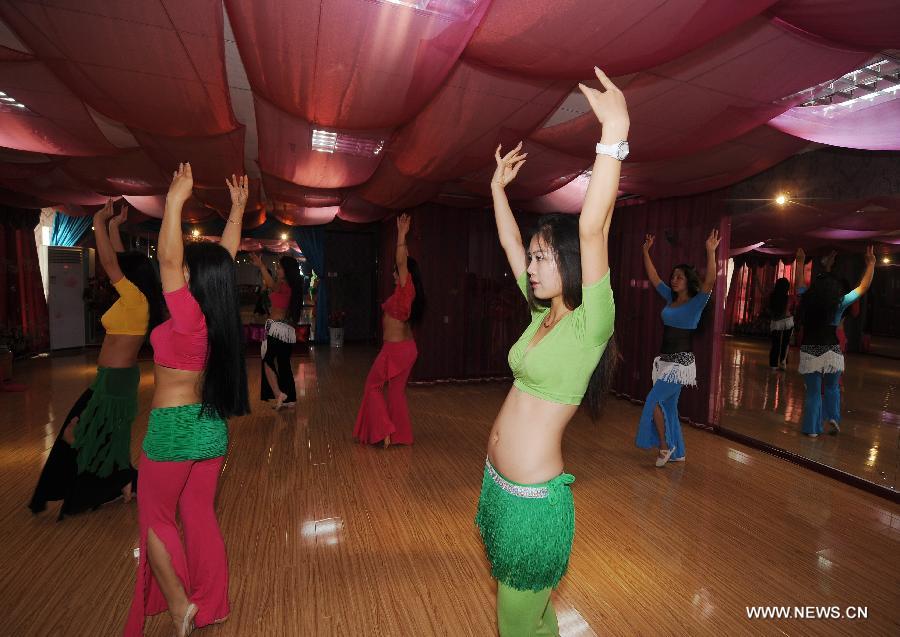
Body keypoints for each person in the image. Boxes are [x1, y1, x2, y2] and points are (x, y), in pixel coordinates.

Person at [475, 67, 621, 637]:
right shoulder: (540, 315)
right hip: (498, 485)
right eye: (533, 259)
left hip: (536, 505)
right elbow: (510, 243)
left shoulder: (591, 325)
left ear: (570, 264)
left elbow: (592, 227)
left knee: (515, 623)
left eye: (543, 258)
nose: (532, 267)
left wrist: (613, 134)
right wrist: (495, 191)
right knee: (532, 620)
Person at [125, 166, 250, 637]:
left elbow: (170, 264)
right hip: (210, 426)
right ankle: (212, 603)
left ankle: (180, 605)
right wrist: (236, 211)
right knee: (198, 516)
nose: (186, 273)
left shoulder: (187, 319)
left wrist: (174, 202)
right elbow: (224, 259)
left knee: (156, 518)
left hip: (173, 429)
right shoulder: (214, 317)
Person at [29, 200, 163, 519]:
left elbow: (108, 260)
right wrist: (114, 227)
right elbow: (118, 260)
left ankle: (119, 480)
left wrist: (98, 222)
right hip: (112, 378)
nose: (117, 272)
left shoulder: (136, 301)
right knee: (106, 436)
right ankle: (124, 481)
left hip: (114, 381)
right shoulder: (135, 298)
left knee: (78, 433)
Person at [635, 229, 719, 466]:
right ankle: (679, 451)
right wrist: (645, 252)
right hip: (664, 361)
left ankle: (664, 446)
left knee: (652, 401)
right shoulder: (670, 298)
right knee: (669, 408)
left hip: (681, 363)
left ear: (688, 281)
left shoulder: (696, 303)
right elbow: (654, 278)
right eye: (673, 276)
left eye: (679, 277)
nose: (674, 279)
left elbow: (710, 280)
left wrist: (710, 252)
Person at [353, 213, 426, 448]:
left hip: (395, 351)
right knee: (395, 392)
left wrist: (401, 236)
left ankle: (384, 430)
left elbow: (402, 262)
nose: (394, 273)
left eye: (397, 270)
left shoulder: (407, 288)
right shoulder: (403, 294)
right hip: (404, 349)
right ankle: (400, 436)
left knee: (372, 386)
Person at [794, 246, 875, 437]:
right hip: (831, 350)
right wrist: (871, 264)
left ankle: (812, 429)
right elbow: (863, 287)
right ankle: (833, 417)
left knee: (813, 392)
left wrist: (799, 262)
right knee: (832, 387)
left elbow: (799, 283)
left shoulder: (806, 298)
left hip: (810, 349)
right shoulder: (839, 302)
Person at [250, 252, 304, 409]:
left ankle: (279, 393)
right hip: (285, 330)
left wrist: (261, 266)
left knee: (267, 361)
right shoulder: (292, 287)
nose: (277, 270)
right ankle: (290, 398)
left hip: (277, 329)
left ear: (286, 270)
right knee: (283, 364)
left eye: (279, 268)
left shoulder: (283, 285)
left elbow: (271, 284)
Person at [768, 277, 793, 370]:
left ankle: (773, 364)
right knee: (785, 343)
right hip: (788, 321)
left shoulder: (772, 296)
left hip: (776, 322)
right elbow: (790, 310)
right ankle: (783, 363)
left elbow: (770, 310)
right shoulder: (788, 298)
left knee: (775, 343)